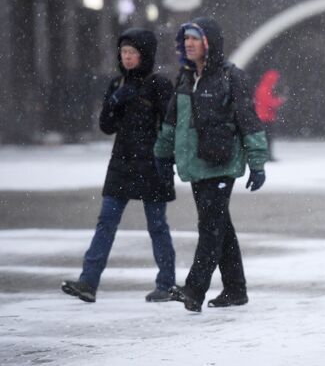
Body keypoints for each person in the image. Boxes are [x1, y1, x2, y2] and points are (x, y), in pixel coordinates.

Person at [154, 17, 269, 312]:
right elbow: (171, 122)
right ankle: (235, 289)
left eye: (195, 38)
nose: (188, 43)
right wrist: (162, 156)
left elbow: (249, 122)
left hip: (221, 163)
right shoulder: (185, 78)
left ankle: (194, 290)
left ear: (210, 43)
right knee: (220, 227)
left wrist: (257, 162)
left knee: (210, 228)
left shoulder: (232, 77)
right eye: (186, 39)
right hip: (195, 164)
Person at [61, 28, 177, 303]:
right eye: (123, 52)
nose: (127, 58)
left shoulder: (159, 84)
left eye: (132, 53)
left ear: (144, 55)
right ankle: (88, 282)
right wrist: (115, 101)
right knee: (106, 222)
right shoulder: (117, 84)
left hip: (152, 163)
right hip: (122, 162)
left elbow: (171, 124)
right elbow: (106, 126)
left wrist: (166, 158)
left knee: (157, 225)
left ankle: (167, 284)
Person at [253, 69, 285, 161]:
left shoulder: (264, 88)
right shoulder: (264, 89)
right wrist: (279, 101)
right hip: (265, 118)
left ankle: (266, 156)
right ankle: (267, 156)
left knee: (265, 138)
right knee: (267, 138)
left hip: (265, 117)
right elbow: (269, 102)